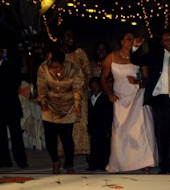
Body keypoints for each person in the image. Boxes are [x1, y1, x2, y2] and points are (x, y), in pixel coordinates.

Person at [132, 30, 170, 173]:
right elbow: (137, 60)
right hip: (162, 100)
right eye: (166, 40)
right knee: (163, 134)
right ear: (162, 42)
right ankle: (165, 165)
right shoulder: (155, 54)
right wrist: (135, 48)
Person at [101, 32, 158, 173]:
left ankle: (145, 162)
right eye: (128, 39)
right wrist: (110, 94)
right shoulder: (111, 57)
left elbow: (146, 78)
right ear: (122, 41)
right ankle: (122, 163)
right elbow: (103, 77)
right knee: (120, 129)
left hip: (137, 96)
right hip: (120, 97)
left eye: (133, 39)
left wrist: (137, 81)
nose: (131, 41)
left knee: (140, 128)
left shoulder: (140, 56)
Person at [36, 50, 84, 174]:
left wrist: (77, 105)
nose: (54, 70)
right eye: (52, 67)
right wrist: (43, 102)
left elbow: (78, 88)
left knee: (66, 137)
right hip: (50, 106)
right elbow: (41, 87)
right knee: (50, 137)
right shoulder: (43, 68)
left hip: (68, 106)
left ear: (63, 64)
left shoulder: (74, 69)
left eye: (57, 67)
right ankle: (55, 161)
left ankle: (69, 164)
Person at [0, 43, 28, 169]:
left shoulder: (9, 66)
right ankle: (4, 160)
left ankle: (21, 161)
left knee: (16, 135)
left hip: (10, 105)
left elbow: (16, 82)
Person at [61, 28, 92, 158]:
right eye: (67, 35)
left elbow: (88, 73)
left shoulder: (80, 54)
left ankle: (84, 150)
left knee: (81, 124)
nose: (71, 38)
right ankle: (63, 153)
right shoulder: (56, 54)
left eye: (72, 35)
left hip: (80, 96)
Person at [87, 77, 113, 171]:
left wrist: (108, 129)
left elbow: (109, 115)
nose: (94, 88)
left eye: (96, 86)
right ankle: (93, 164)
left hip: (103, 127)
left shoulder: (105, 99)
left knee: (104, 147)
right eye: (92, 86)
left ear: (100, 86)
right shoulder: (89, 99)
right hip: (93, 127)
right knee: (93, 146)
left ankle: (104, 164)